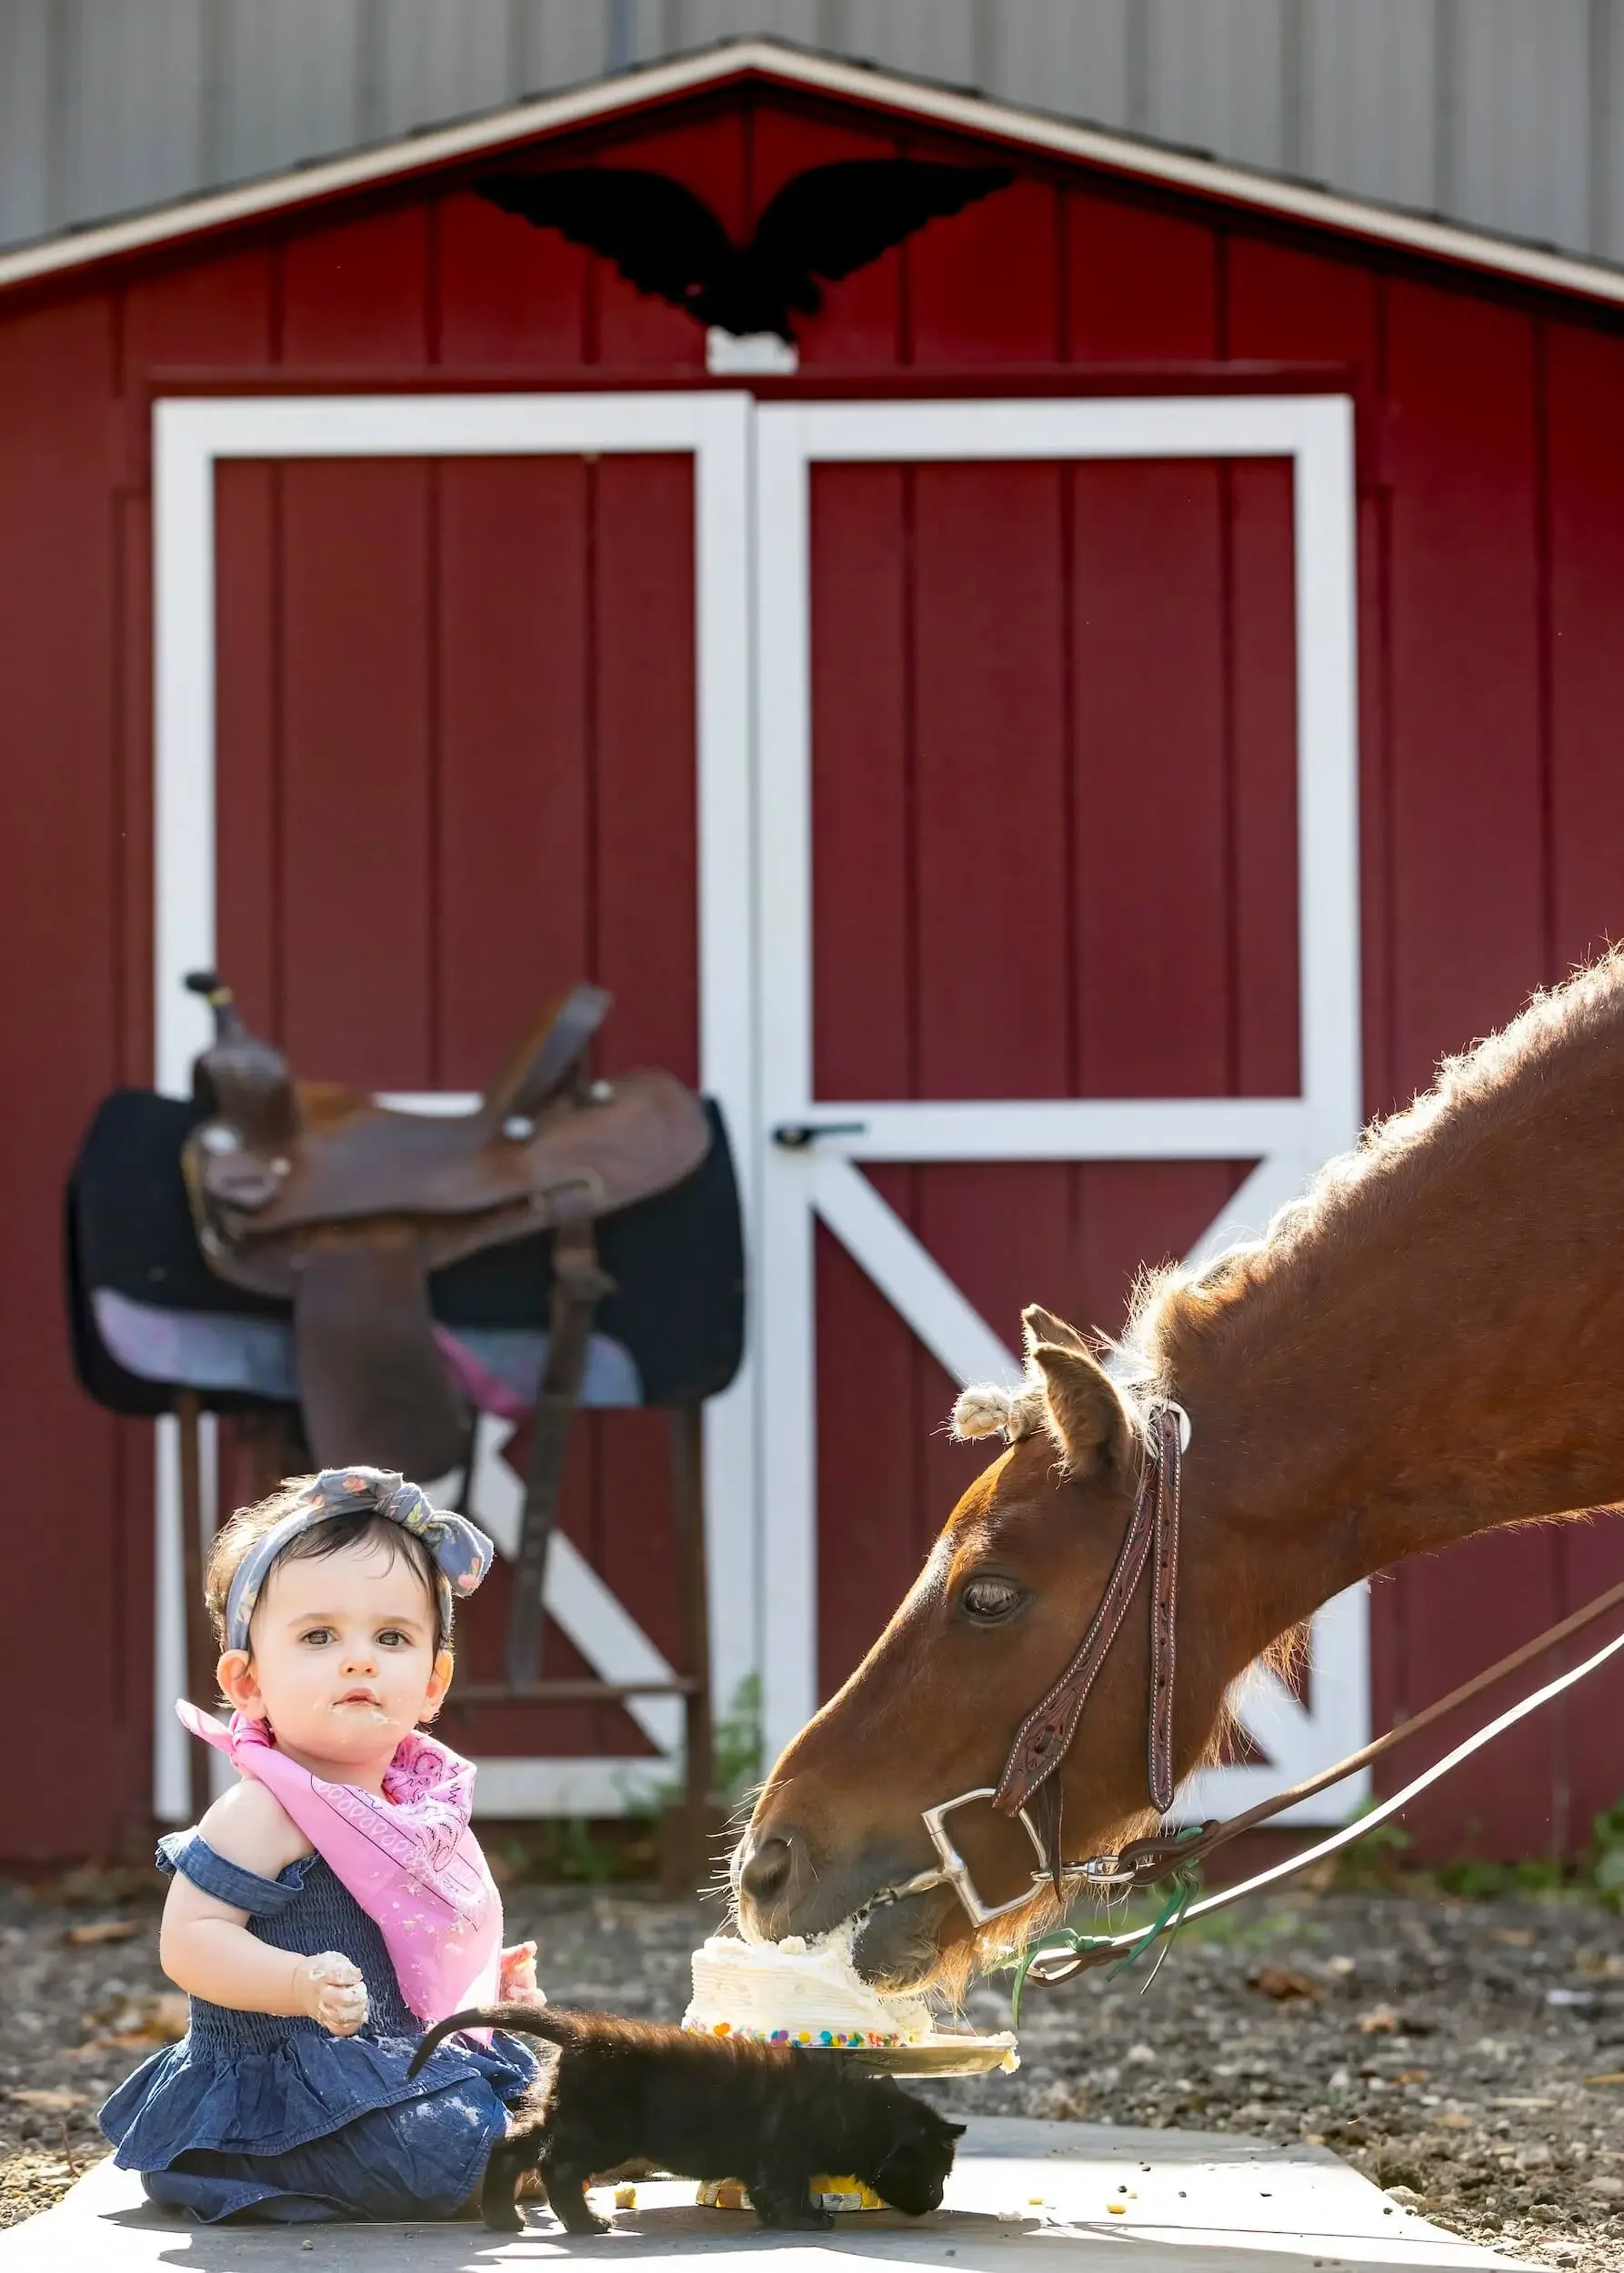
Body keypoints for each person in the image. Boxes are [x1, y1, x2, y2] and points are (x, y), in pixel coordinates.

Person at [99, 1466, 543, 2223]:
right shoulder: (265, 1810)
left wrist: (482, 1988)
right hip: (279, 2082)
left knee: (532, 2087)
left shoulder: (411, 1809)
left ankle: (511, 2151)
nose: (360, 1658)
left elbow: (408, 1939)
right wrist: (296, 1983)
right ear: (247, 1683)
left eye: (392, 1637)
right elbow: (190, 1942)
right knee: (449, 2152)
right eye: (318, 1636)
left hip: (379, 2059)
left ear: (434, 1682)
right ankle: (259, 2161)